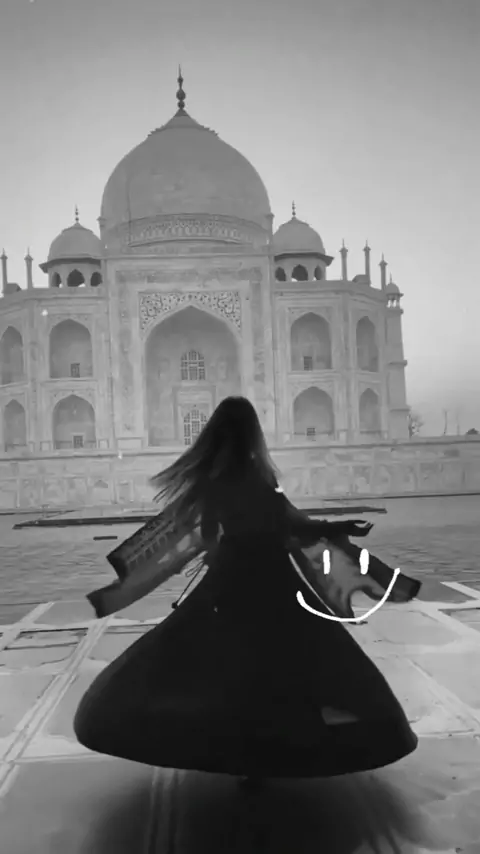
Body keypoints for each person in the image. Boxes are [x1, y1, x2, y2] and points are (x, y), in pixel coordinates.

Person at [73, 397, 446, 850]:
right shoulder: (259, 479)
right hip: (270, 580)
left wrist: (234, 544)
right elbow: (293, 527)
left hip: (231, 580)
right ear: (251, 433)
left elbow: (210, 535)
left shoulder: (215, 482)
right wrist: (336, 527)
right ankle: (275, 749)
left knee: (224, 665)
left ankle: (236, 748)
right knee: (291, 661)